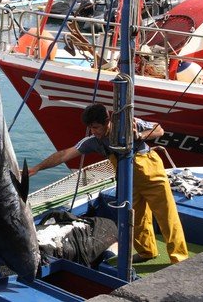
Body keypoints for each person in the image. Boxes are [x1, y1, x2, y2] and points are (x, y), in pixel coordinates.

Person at [28, 103, 188, 264]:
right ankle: (147, 251)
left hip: (150, 171)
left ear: (107, 121)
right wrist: (37, 168)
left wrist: (139, 135)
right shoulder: (92, 141)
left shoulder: (129, 124)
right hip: (127, 177)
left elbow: (159, 129)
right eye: (90, 128)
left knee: (166, 215)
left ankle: (179, 258)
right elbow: (64, 155)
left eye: (96, 127)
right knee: (136, 216)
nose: (94, 131)